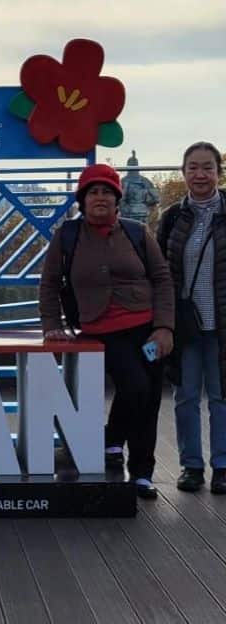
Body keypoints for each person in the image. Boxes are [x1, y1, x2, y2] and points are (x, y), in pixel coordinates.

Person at [39, 163, 174, 499]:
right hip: (102, 330)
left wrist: (164, 327)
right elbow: (50, 283)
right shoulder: (67, 236)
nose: (99, 198)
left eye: (106, 192)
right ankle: (112, 439)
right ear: (82, 200)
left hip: (147, 328)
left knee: (149, 399)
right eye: (92, 192)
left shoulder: (138, 232)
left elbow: (162, 279)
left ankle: (142, 472)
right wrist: (52, 325)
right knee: (137, 387)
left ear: (117, 199)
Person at [157, 141, 226, 494]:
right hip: (185, 325)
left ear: (218, 171)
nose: (200, 174)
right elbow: (159, 272)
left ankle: (223, 466)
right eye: (193, 167)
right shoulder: (171, 217)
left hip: (222, 323)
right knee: (185, 396)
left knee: (221, 396)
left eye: (208, 167)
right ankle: (191, 466)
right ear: (183, 172)